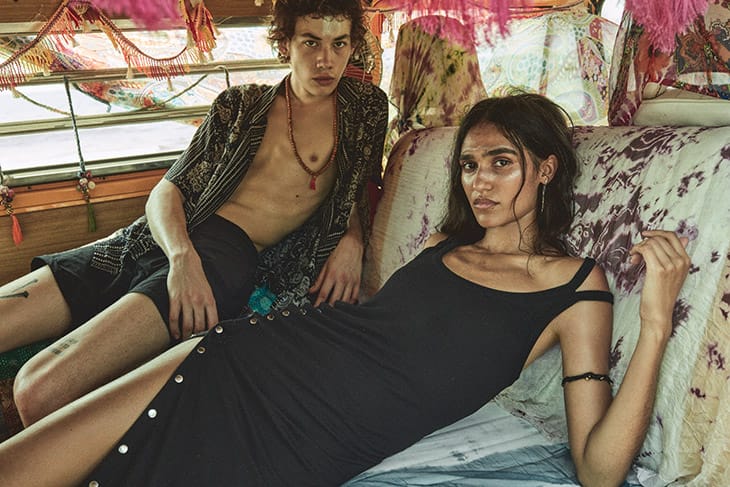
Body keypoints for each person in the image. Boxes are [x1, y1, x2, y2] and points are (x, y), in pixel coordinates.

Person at [0, 93, 690, 487]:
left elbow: (598, 470)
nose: (479, 182)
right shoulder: (443, 245)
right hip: (237, 361)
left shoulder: (576, 288)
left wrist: (656, 323)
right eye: (470, 165)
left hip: (302, 446)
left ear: (546, 169)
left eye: (501, 163)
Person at [0, 0, 388, 428]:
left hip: (225, 256)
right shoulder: (238, 106)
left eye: (339, 44)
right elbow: (166, 192)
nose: (326, 60)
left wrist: (353, 238)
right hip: (154, 237)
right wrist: (181, 258)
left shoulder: (365, 109)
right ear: (286, 44)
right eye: (311, 42)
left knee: (36, 391)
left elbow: (359, 184)